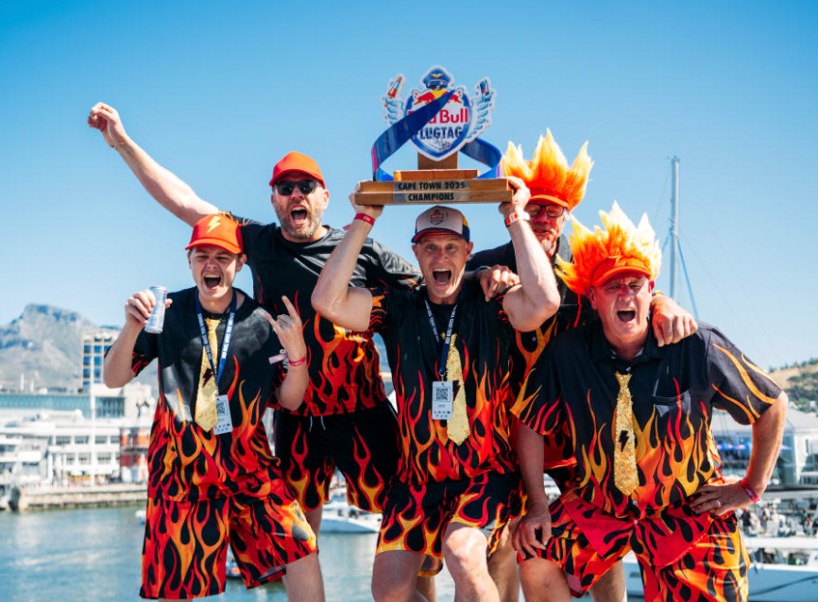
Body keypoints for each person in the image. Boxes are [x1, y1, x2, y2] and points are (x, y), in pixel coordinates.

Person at [511, 203, 788, 602]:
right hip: (602, 507)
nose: (625, 294)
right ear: (592, 297)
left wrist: (750, 488)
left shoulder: (696, 345)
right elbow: (530, 422)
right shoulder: (568, 353)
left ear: (652, 290)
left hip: (687, 511)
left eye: (635, 284)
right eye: (612, 285)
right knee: (535, 552)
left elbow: (772, 405)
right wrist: (538, 506)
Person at [467, 130, 697, 602]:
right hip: (512, 426)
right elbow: (444, 289)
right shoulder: (490, 263)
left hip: (578, 426)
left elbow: (629, 292)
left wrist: (663, 301)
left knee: (601, 536)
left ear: (567, 215)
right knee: (510, 538)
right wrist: (480, 277)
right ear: (519, 209)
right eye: (534, 208)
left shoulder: (584, 269)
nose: (543, 218)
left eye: (553, 210)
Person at [311, 179, 560, 602]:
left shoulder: (493, 299)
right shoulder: (397, 305)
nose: (439, 256)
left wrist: (514, 216)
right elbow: (326, 301)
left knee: (462, 555)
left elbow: (544, 303)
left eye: (450, 247)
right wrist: (363, 219)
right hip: (418, 478)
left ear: (468, 250)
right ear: (415, 254)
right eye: (429, 247)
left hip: (487, 472)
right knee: (387, 591)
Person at [103, 214, 324, 601]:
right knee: (175, 588)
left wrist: (299, 356)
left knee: (301, 547)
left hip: (249, 470)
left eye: (223, 257)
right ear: (188, 261)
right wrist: (131, 327)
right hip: (180, 473)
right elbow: (113, 378)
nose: (212, 265)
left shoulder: (261, 322)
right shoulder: (165, 314)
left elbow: (290, 399)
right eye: (202, 255)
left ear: (240, 263)